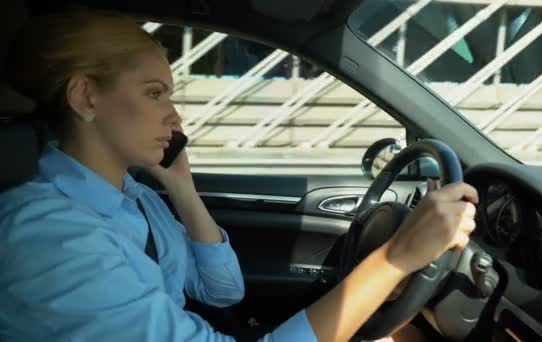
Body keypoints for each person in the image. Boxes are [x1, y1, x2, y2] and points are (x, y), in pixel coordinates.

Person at [0, 8, 478, 342]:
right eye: (153, 94)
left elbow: (223, 289)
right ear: (86, 98)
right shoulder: (49, 237)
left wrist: (181, 187)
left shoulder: (131, 197)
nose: (174, 116)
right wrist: (396, 258)